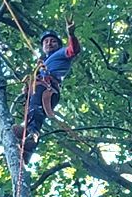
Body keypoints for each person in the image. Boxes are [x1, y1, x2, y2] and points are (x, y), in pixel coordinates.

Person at [12, 17, 81, 162]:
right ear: (42, 46)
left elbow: (73, 50)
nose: (49, 43)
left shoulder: (62, 52)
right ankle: (27, 150)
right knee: (33, 109)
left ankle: (32, 134)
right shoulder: (42, 63)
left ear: (58, 44)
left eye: (53, 41)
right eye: (46, 42)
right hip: (40, 87)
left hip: (48, 87)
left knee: (35, 109)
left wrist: (71, 35)